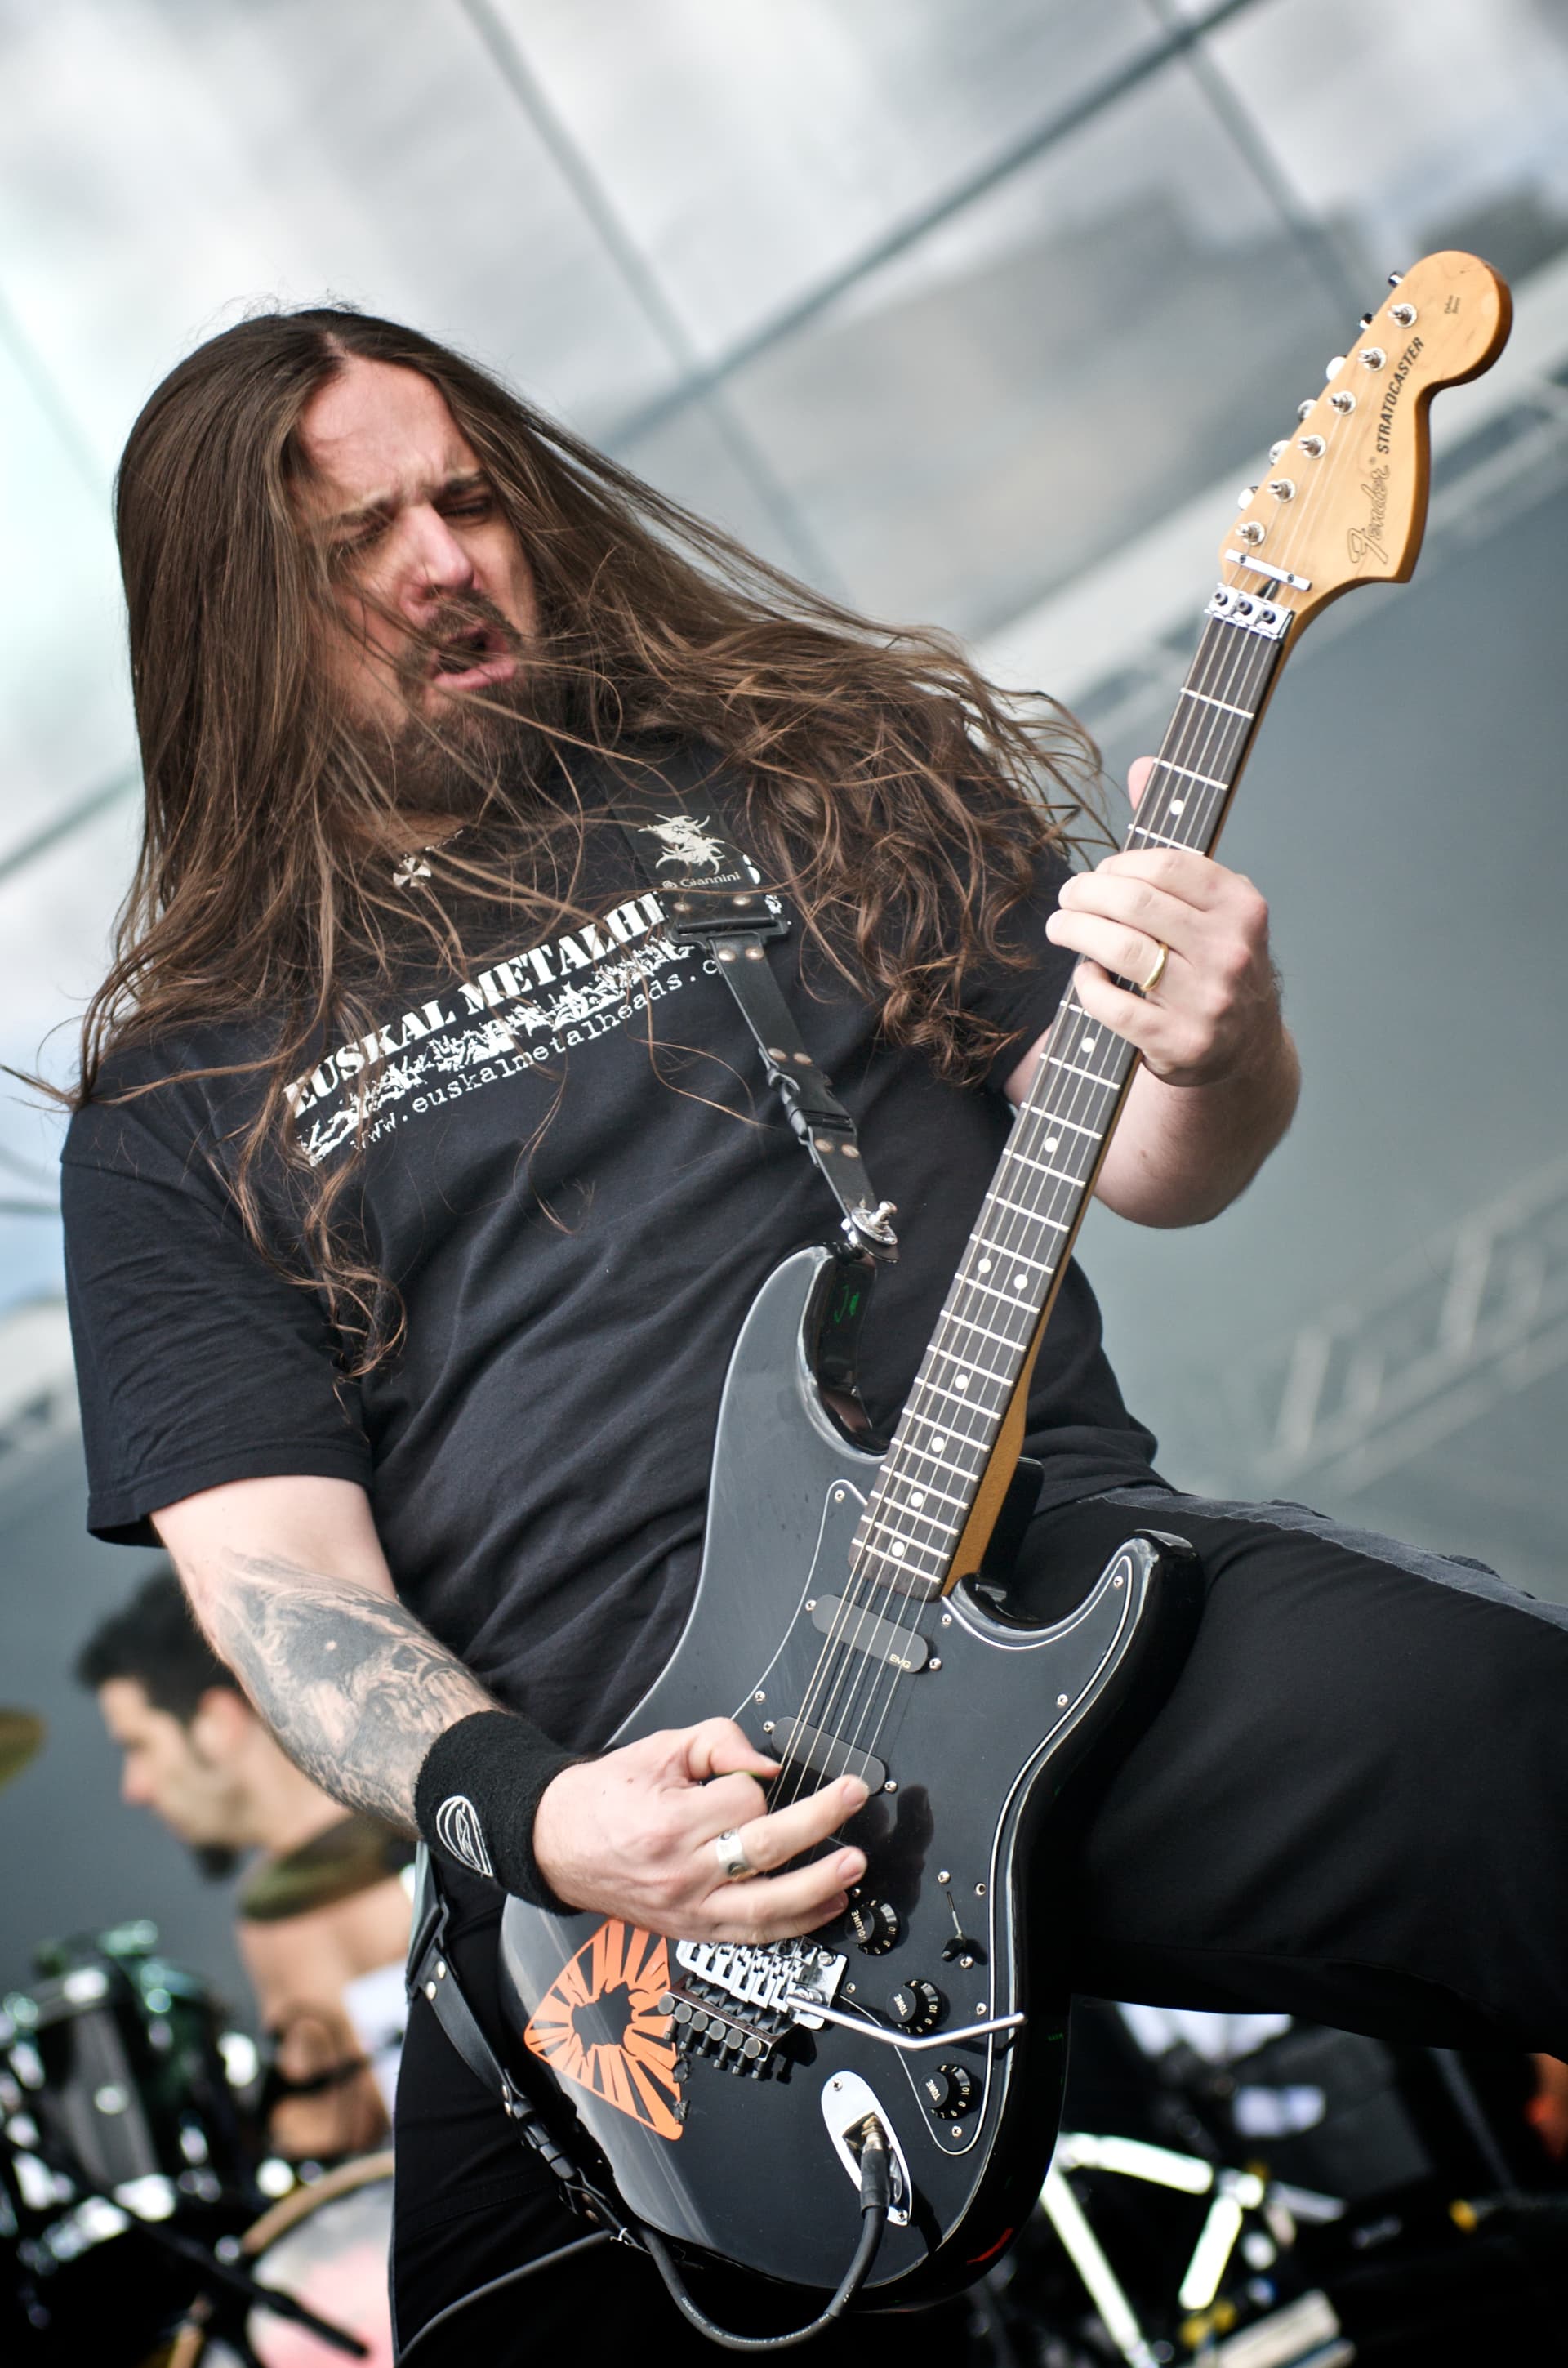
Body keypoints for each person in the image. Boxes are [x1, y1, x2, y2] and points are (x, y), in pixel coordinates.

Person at [57, 306, 1568, 2361]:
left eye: (471, 499)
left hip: (1023, 1601)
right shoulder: (178, 1099)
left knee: (1523, 1743)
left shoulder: (810, 776)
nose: (446, 562)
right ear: (225, 616)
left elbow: (1147, 1158)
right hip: (616, 1897)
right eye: (356, 541)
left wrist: (1223, 1043)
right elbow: (280, 1591)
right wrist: (550, 1820)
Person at [78, 1566, 413, 2161]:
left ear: (217, 1724)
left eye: (138, 1746)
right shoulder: (267, 1913)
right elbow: (329, 2140)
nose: (135, 1788)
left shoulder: (422, 1838)